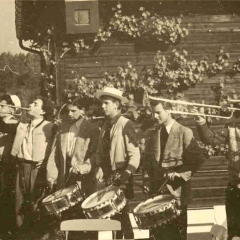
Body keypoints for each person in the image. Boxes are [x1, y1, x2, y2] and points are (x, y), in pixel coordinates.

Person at [143, 97, 205, 240]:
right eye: (153, 113)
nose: (155, 116)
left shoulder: (184, 132)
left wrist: (180, 174)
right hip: (156, 195)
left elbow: (198, 160)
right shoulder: (152, 135)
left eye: (158, 112)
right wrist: (147, 183)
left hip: (177, 195)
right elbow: (147, 164)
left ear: (169, 110)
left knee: (176, 236)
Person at [0, 97, 55, 239]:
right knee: (19, 204)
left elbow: (55, 148)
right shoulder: (22, 125)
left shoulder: (50, 126)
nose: (30, 105)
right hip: (21, 167)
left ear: (42, 111)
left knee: (36, 204)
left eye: (35, 104)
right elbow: (3, 125)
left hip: (37, 169)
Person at [46, 98, 100, 240]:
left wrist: (83, 168)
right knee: (66, 217)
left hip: (84, 179)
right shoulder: (62, 127)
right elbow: (54, 153)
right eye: (68, 110)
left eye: (73, 111)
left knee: (85, 218)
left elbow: (96, 154)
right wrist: (51, 175)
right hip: (65, 179)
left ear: (82, 111)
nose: (69, 114)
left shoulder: (92, 129)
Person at [95, 87, 141, 239]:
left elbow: (135, 155)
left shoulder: (125, 124)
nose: (103, 106)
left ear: (116, 104)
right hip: (108, 178)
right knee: (115, 218)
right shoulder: (105, 126)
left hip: (121, 177)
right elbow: (102, 153)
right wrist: (100, 168)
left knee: (122, 218)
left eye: (106, 103)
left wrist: (126, 174)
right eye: (102, 103)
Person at [195, 111, 240, 240]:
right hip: (235, 187)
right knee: (235, 232)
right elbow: (211, 139)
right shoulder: (232, 128)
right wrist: (201, 122)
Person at [0, 94, 21, 238]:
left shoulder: (16, 124)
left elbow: (7, 128)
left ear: (13, 109)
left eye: (2, 106)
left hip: (8, 166)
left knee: (6, 198)